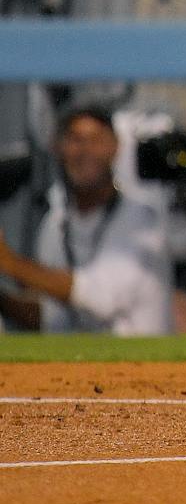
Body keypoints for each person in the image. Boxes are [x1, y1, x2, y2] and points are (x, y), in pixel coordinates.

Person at [0, 106, 173, 335]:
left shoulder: (141, 220)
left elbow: (101, 298)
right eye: (75, 139)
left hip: (142, 366)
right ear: (57, 147)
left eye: (97, 139)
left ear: (115, 147)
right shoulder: (56, 224)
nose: (86, 151)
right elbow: (53, 319)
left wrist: (10, 263)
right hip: (77, 366)